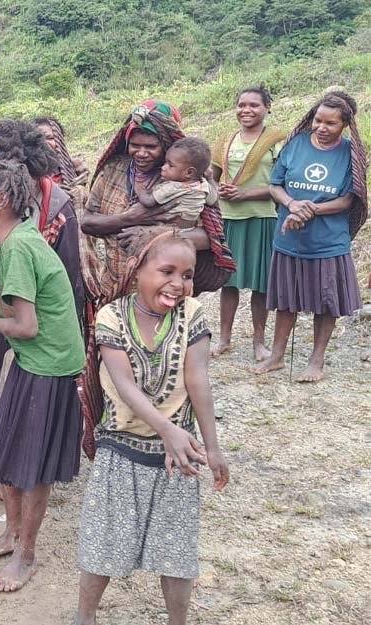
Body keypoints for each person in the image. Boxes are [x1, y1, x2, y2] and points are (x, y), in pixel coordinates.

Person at [72, 233, 230, 625]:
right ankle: (84, 617)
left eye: (188, 274)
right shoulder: (111, 315)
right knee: (103, 544)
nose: (178, 283)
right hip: (120, 452)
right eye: (167, 271)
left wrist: (212, 448)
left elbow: (198, 380)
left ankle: (177, 622)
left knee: (177, 551)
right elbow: (123, 385)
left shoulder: (192, 315)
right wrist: (167, 430)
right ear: (137, 269)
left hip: (178, 459)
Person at [79, 100, 235, 458]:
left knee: (169, 368)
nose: (142, 152)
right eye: (136, 144)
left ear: (169, 146)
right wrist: (130, 219)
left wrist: (155, 235)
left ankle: (172, 436)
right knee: (117, 370)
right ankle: (117, 440)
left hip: (168, 293)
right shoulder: (114, 172)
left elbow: (210, 236)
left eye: (151, 146)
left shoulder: (189, 182)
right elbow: (88, 222)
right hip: (114, 287)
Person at [0, 161, 85, 593]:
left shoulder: (18, 247)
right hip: (33, 360)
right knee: (7, 456)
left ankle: (26, 555)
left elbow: (25, 326)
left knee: (31, 467)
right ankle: (12, 534)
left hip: (48, 366)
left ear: (2, 201)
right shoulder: (5, 240)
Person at [0, 118, 83, 413]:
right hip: (8, 320)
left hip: (40, 334)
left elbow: (68, 287)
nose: (9, 176)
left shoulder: (59, 213)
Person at [254, 92, 367, 383]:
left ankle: (317, 361)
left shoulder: (351, 154)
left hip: (328, 241)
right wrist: (292, 204)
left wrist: (311, 209)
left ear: (345, 125)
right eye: (318, 120)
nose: (322, 127)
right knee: (286, 300)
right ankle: (277, 356)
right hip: (288, 238)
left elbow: (347, 200)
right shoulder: (296, 144)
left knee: (327, 301)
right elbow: (275, 185)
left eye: (331, 123)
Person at [209, 86, 287, 360]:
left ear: (268, 107)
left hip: (262, 217)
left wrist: (246, 193)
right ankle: (224, 339)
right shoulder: (226, 141)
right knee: (228, 282)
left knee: (260, 284)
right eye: (242, 105)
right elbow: (212, 177)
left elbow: (282, 184)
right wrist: (218, 191)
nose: (247, 110)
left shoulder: (277, 141)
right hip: (228, 218)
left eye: (254, 105)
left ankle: (259, 342)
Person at [134, 136, 218, 229]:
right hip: (189, 229)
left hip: (166, 228)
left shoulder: (173, 187)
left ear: (189, 172)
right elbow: (214, 201)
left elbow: (148, 202)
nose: (163, 167)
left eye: (170, 165)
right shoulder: (203, 186)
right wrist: (210, 179)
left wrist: (142, 191)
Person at [32, 115, 90, 213]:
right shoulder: (26, 173)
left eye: (50, 138)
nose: (44, 143)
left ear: (60, 141)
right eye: (39, 139)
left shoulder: (76, 169)